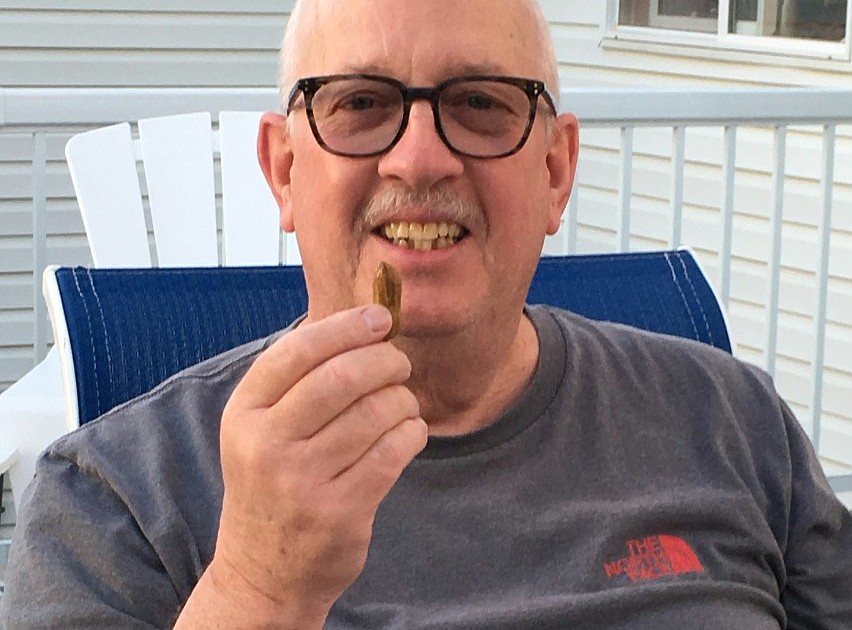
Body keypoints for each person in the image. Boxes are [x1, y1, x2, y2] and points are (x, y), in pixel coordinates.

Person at [2, 0, 851, 628]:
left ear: (556, 173)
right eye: (359, 104)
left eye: (480, 102)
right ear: (284, 172)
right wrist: (257, 589)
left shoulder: (734, 424)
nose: (418, 157)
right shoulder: (115, 501)